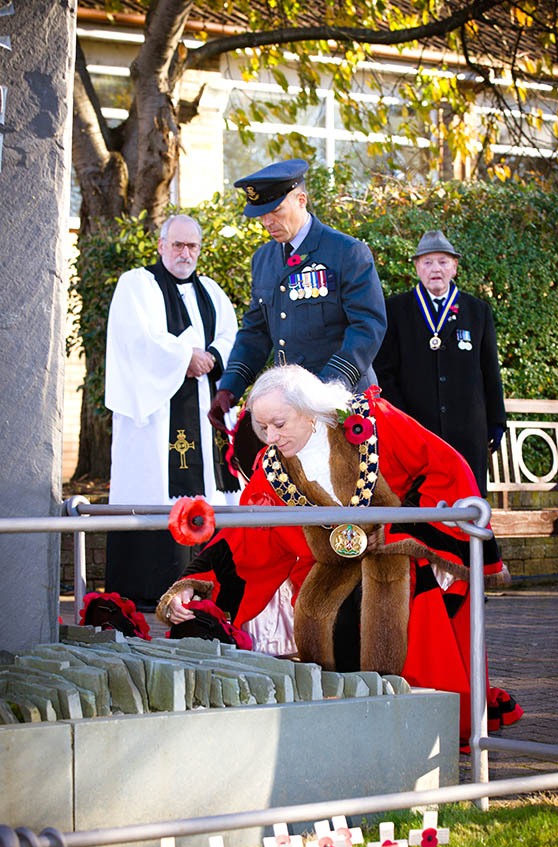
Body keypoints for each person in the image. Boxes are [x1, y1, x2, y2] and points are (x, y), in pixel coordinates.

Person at [157, 364, 521, 743]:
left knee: (395, 606)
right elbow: (247, 540)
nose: (271, 436)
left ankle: (416, 733)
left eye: (279, 424)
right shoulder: (271, 471)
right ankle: (347, 735)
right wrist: (194, 587)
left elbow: (444, 467)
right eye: (262, 428)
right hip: (328, 571)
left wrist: (407, 531)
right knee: (321, 612)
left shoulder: (375, 422)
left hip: (400, 558)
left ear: (309, 409)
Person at [104, 214, 240, 610]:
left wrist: (212, 356)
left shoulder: (212, 291)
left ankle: (209, 589)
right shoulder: (137, 284)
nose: (185, 253)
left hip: (205, 412)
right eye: (177, 245)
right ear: (161, 245)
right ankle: (147, 590)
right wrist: (185, 357)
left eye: (192, 246)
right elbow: (137, 340)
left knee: (213, 491)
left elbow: (232, 336)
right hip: (157, 419)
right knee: (154, 485)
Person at [208, 159, 386, 431]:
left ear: (301, 200)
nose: (268, 222)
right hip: (290, 411)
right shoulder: (264, 258)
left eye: (276, 211)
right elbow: (255, 332)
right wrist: (230, 387)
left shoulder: (346, 252)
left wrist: (324, 389)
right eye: (261, 215)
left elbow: (367, 327)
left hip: (343, 405)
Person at [373, 230, 506, 495]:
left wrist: (497, 421)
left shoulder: (478, 311)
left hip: (467, 431)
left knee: (468, 506)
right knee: (420, 509)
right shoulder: (395, 310)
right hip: (417, 431)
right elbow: (384, 372)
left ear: (454, 267)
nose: (436, 269)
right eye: (428, 262)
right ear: (417, 268)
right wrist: (402, 420)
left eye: (443, 262)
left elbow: (490, 370)